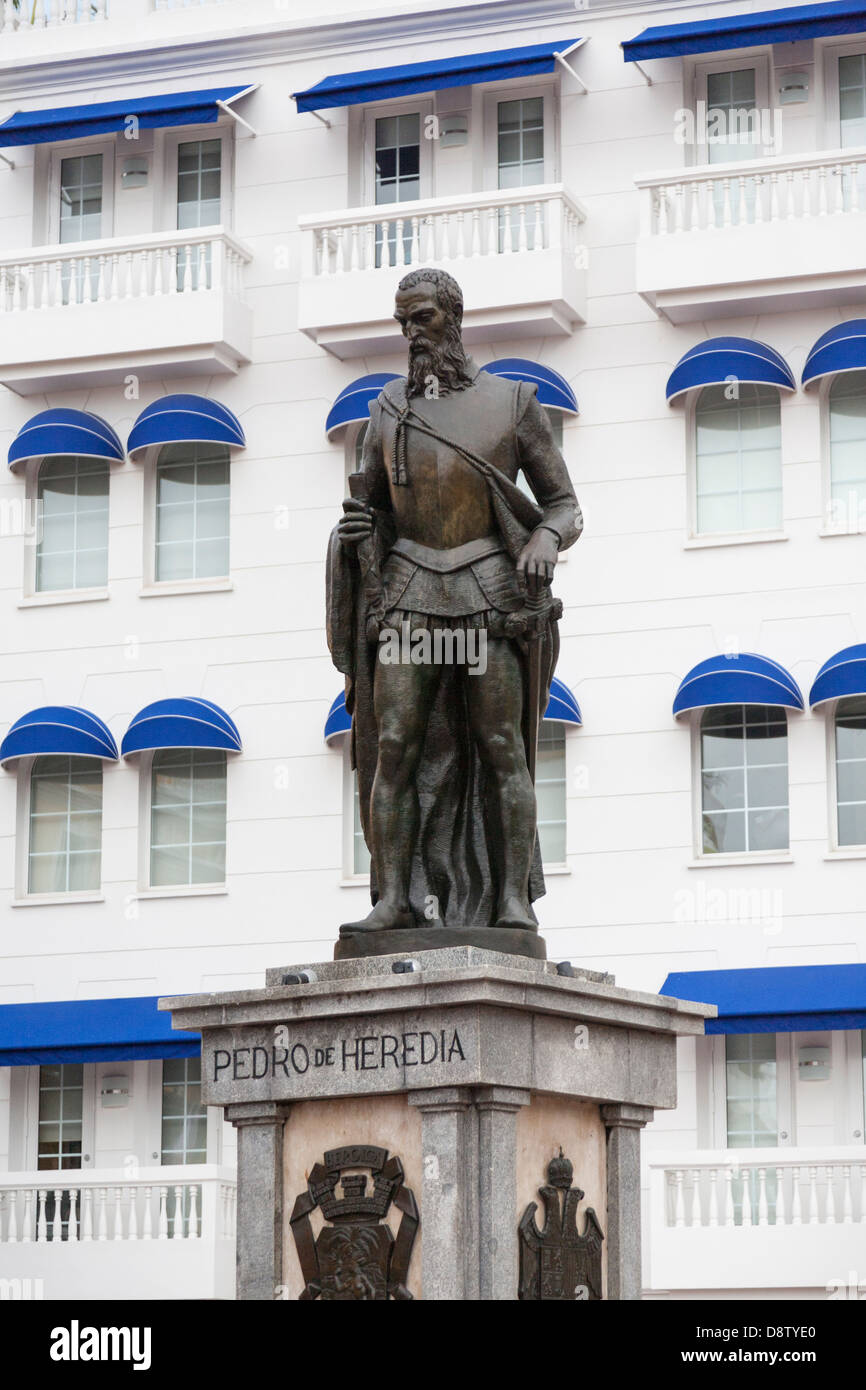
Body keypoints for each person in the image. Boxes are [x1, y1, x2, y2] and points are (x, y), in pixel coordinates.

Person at [327, 267, 582, 937]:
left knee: (502, 745)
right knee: (394, 744)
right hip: (409, 596)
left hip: (486, 596)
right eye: (402, 321)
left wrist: (548, 540)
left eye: (422, 319)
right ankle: (396, 897)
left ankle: (512, 899)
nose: (410, 333)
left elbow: (565, 504)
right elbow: (368, 507)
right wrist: (356, 532)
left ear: (451, 316)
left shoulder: (512, 402)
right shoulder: (386, 409)